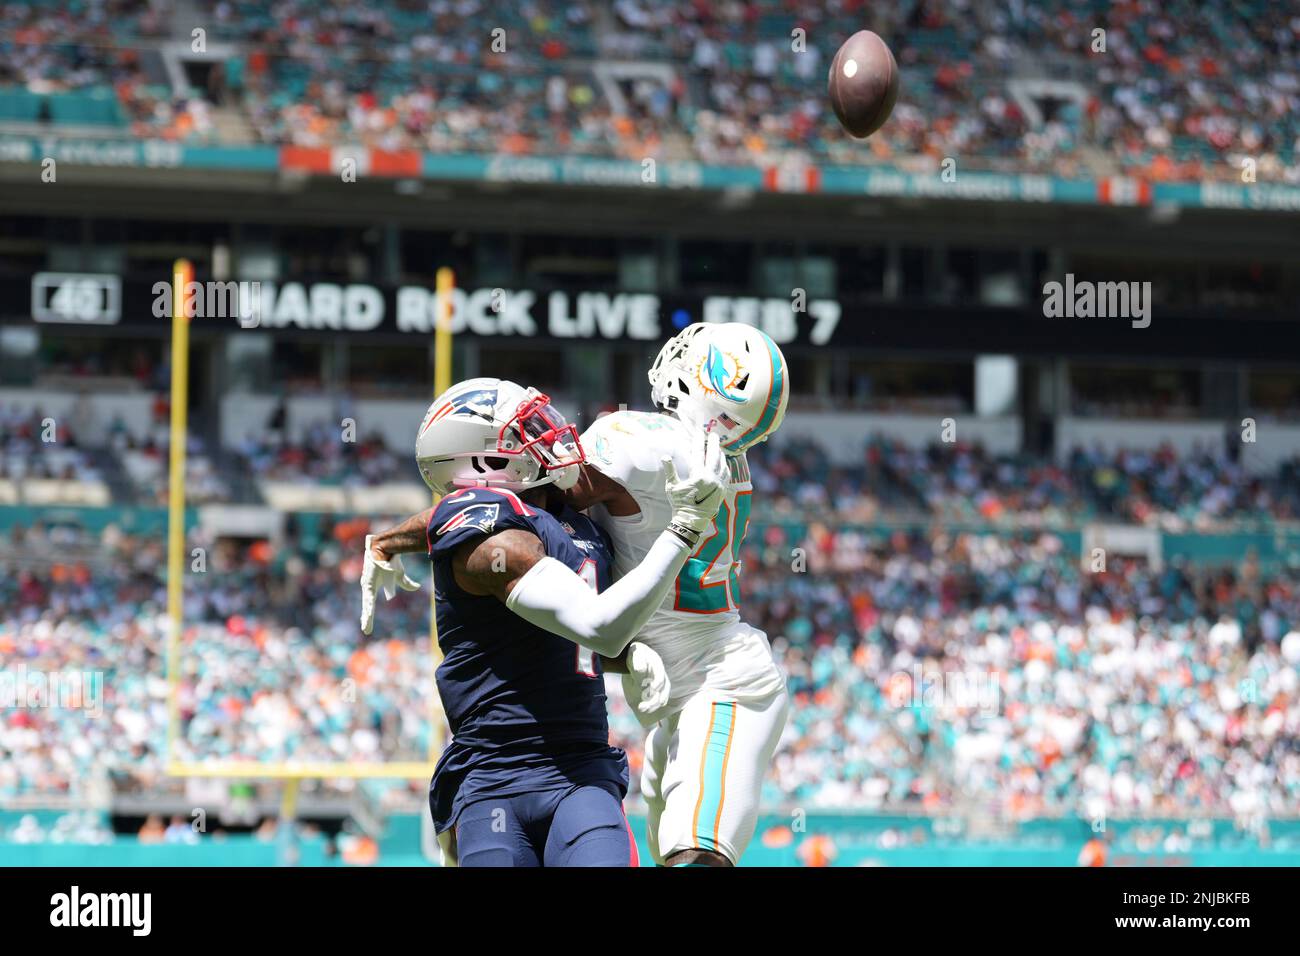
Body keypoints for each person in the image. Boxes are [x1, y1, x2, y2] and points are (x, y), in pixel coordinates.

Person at [359, 377, 727, 866]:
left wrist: (384, 540)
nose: (552, 434)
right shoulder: (488, 544)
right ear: (485, 462)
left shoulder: (564, 514)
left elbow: (570, 633)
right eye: (527, 429)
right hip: (492, 778)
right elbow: (599, 626)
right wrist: (683, 528)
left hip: (580, 769)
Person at [563, 322, 791, 866]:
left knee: (697, 857)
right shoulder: (714, 452)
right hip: (687, 689)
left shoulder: (641, 442)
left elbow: (539, 492)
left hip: (722, 683)